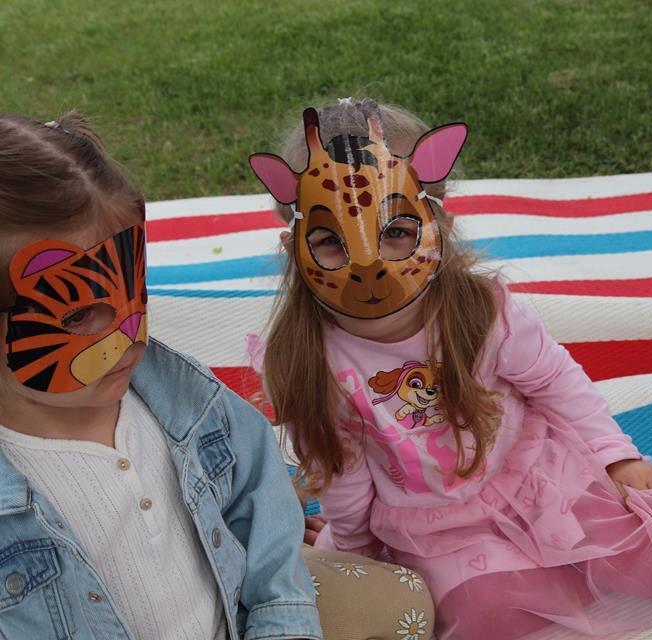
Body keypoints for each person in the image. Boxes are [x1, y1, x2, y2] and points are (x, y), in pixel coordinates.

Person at [251, 98, 652, 640]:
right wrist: (355, 557)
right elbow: (344, 472)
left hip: (537, 477)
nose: (369, 265)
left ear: (437, 224)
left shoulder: (481, 312)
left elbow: (558, 384)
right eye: (331, 240)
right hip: (435, 527)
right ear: (295, 243)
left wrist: (615, 457)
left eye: (397, 231)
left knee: (639, 546)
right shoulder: (308, 358)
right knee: (484, 616)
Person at [0, 112, 433, 640]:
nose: (127, 332)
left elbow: (263, 517)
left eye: (132, 287)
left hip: (238, 619)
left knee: (405, 600)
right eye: (75, 315)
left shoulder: (181, 396)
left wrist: (281, 616)